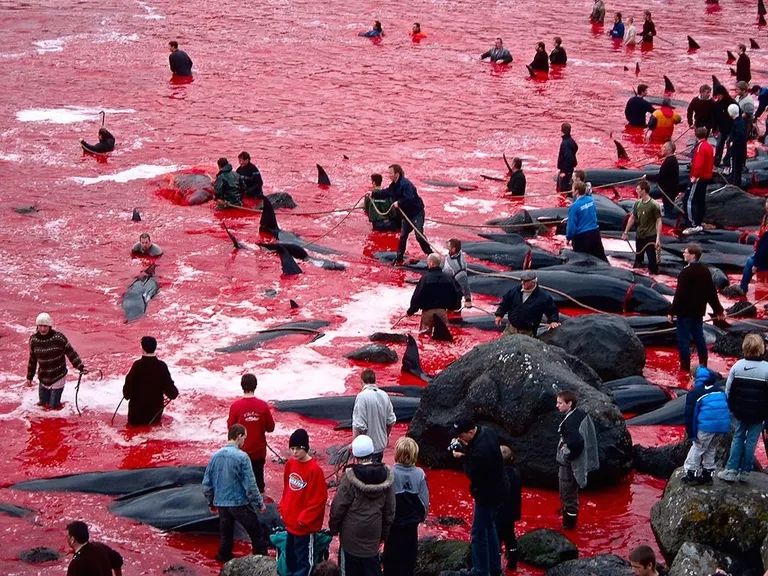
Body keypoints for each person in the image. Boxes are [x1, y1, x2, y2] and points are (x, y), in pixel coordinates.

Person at [328, 434, 395, 576]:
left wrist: (334, 528)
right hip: (373, 536)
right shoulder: (386, 477)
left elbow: (338, 507)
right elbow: (390, 511)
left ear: (355, 455)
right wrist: (383, 535)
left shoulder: (349, 478)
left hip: (350, 538)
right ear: (372, 453)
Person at [202, 424, 267, 562]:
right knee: (256, 533)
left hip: (221, 503)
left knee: (226, 536)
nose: (244, 441)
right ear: (239, 436)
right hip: (239, 503)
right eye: (244, 438)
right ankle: (261, 561)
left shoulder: (215, 456)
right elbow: (250, 485)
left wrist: (211, 502)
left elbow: (206, 484)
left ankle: (223, 561)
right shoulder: (242, 457)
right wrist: (259, 503)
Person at [451, 416, 506, 576]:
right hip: (500, 487)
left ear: (470, 432)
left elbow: (471, 472)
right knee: (490, 527)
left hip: (487, 494)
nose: (460, 438)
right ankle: (494, 567)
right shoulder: (488, 432)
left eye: (461, 436)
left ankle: (480, 571)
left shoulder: (480, 452)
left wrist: (462, 457)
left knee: (478, 533)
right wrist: (467, 448)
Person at [717, 333, 768, 483]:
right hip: (759, 414)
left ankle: (731, 469)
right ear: (762, 349)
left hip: (740, 412)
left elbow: (728, 389)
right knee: (752, 442)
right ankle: (745, 471)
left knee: (738, 438)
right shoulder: (766, 368)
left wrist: (730, 408)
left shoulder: (737, 366)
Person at [667, 243, 725, 372]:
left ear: (693, 255)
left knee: (683, 342)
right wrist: (719, 311)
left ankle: (685, 369)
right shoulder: (705, 271)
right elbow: (711, 293)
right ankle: (703, 365)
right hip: (698, 312)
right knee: (700, 339)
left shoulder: (685, 272)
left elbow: (679, 294)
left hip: (684, 313)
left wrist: (671, 311)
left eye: (686, 252)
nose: (683, 254)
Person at [279, 428, 328, 576]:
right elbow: (286, 489)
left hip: (304, 527)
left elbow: (319, 499)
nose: (294, 452)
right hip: (290, 522)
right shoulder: (290, 464)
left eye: (298, 449)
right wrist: (283, 507)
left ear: (305, 448)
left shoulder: (315, 470)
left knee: (304, 562)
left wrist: (304, 520)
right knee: (290, 557)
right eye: (292, 449)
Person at [382, 437, 429, 576]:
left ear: (397, 453)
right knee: (408, 562)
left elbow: (384, 501)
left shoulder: (389, 473)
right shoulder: (420, 474)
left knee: (390, 562)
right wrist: (421, 517)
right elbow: (424, 503)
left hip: (393, 526)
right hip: (411, 526)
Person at [555, 390, 599, 530]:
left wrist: (567, 456)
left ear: (569, 404)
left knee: (567, 494)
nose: (557, 405)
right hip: (579, 461)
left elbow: (576, 443)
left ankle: (569, 525)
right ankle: (568, 514)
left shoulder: (569, 424)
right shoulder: (581, 414)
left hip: (569, 466)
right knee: (570, 492)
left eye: (560, 403)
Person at [681, 365, 730, 485]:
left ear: (694, 378)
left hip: (706, 427)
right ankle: (707, 474)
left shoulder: (695, 393)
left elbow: (689, 415)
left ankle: (690, 473)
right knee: (711, 448)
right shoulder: (719, 390)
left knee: (698, 448)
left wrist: (691, 434)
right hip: (722, 426)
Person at [227, 373, 276, 494]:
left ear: (242, 386)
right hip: (258, 452)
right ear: (256, 386)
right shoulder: (263, 406)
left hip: (240, 452)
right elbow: (271, 428)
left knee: (240, 486)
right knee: (258, 486)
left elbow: (230, 429)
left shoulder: (235, 406)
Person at [26, 312, 85, 410]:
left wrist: (80, 367)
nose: (43, 329)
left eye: (45, 326)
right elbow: (32, 359)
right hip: (43, 377)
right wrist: (29, 377)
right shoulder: (33, 340)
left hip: (58, 375)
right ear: (37, 326)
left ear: (50, 326)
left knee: (53, 407)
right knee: (43, 405)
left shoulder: (59, 338)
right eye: (40, 326)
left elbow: (71, 353)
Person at [377, 164, 432, 265]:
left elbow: (410, 198)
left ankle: (430, 254)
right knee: (403, 236)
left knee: (419, 235)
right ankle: (399, 258)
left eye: (390, 173)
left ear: (397, 174)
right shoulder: (393, 185)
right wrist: (374, 193)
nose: (388, 175)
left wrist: (399, 203)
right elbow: (387, 192)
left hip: (416, 213)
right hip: (406, 215)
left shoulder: (406, 184)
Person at [122, 336, 178, 426]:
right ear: (155, 348)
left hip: (136, 416)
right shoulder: (162, 366)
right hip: (154, 415)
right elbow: (173, 393)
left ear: (143, 349)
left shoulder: (137, 366)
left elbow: (126, 394)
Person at [407, 253, 462, 334]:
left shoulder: (425, 278)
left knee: (425, 336)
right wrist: (452, 308)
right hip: (442, 312)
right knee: (443, 337)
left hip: (427, 313)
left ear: (431, 263)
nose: (427, 264)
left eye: (428, 262)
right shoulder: (448, 278)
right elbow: (455, 294)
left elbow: (417, 297)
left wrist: (411, 311)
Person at [494, 270, 560, 336]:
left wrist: (553, 321)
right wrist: (499, 315)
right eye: (522, 280)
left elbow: (551, 310)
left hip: (528, 332)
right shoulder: (515, 291)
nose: (522, 283)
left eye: (525, 281)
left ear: (533, 281)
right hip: (511, 328)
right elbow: (505, 302)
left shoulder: (543, 297)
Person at [352, 369, 396, 463]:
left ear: (362, 381)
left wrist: (354, 445)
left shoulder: (361, 397)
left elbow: (359, 426)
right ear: (375, 380)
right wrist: (385, 437)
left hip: (366, 450)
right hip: (381, 446)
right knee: (377, 469)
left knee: (365, 471)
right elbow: (391, 421)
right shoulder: (385, 395)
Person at [622, 180, 662, 274]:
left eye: (638, 189)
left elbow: (659, 221)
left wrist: (658, 238)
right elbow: (632, 217)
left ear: (643, 190)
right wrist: (626, 232)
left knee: (652, 262)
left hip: (650, 236)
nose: (636, 190)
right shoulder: (637, 203)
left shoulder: (654, 205)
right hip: (640, 235)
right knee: (638, 260)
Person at [683, 127, 714, 234]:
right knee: (700, 200)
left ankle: (692, 224)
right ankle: (699, 222)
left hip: (699, 177)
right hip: (706, 177)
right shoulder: (709, 146)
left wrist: (695, 176)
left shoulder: (700, 147)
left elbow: (699, 164)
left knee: (688, 200)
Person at [566, 182, 608, 261]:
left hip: (582, 237)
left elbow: (571, 226)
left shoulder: (574, 207)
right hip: (595, 233)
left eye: (572, 189)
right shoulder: (591, 200)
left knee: (581, 262)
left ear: (577, 191)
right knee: (601, 258)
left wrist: (568, 237)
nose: (571, 190)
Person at [496, 445, 522, 570]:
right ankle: (512, 563)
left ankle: (496, 565)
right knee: (510, 538)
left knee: (497, 539)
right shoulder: (515, 472)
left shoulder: (499, 475)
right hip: (512, 512)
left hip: (500, 513)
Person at [738, 198, 768, 294]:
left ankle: (742, 288)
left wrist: (756, 263)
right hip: (763, 250)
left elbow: (765, 246)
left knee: (750, 262)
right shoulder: (765, 217)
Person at [443, 239, 473, 309]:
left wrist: (468, 300)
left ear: (453, 249)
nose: (447, 245)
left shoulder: (457, 267)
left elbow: (465, 284)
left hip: (453, 295)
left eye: (449, 245)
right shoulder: (457, 253)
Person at [713, 84, 736, 166]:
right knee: (719, 146)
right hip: (722, 129)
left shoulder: (732, 103)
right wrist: (714, 128)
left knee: (729, 146)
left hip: (731, 129)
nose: (718, 97)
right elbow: (715, 117)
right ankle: (716, 162)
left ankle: (727, 162)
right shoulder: (717, 104)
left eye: (719, 95)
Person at [726, 103, 747, 187]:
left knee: (736, 166)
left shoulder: (737, 123)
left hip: (737, 149)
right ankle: (735, 181)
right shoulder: (740, 121)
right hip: (739, 148)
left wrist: (733, 142)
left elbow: (740, 135)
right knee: (736, 166)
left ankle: (736, 184)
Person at [656, 140, 679, 216]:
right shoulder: (671, 159)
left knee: (668, 210)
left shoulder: (670, 161)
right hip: (669, 190)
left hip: (668, 191)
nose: (662, 148)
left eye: (664, 147)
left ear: (669, 150)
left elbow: (661, 176)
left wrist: (647, 177)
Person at [557, 122, 578, 192]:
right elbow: (576, 147)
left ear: (562, 131)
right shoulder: (571, 140)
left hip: (566, 170)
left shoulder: (565, 143)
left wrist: (564, 171)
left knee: (564, 189)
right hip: (569, 169)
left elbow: (568, 158)